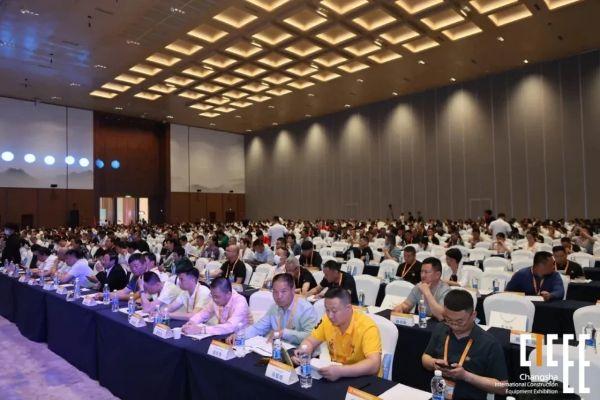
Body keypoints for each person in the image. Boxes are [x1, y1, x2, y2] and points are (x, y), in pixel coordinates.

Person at [422, 290, 508, 399]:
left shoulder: (489, 343)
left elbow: (503, 387)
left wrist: (466, 376)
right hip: (438, 395)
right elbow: (425, 357)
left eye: (459, 322)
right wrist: (434, 364)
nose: (454, 326)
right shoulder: (441, 329)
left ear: (473, 315)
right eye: (449, 320)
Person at [293, 288, 381, 381]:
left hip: (362, 378)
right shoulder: (327, 320)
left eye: (334, 311)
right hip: (336, 373)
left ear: (348, 308)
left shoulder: (367, 327)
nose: (330, 316)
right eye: (327, 310)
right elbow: (310, 341)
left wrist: (341, 371)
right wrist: (303, 352)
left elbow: (374, 364)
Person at [227, 273, 317, 345]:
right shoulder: (274, 307)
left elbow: (312, 336)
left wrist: (284, 333)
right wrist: (240, 335)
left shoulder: (306, 309)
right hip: (277, 348)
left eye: (283, 291)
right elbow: (258, 328)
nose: (279, 296)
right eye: (275, 292)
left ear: (293, 290)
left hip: (299, 352)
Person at [182, 278, 252, 336]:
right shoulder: (215, 297)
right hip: (223, 334)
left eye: (217, 297)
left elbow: (231, 326)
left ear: (228, 294)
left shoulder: (240, 302)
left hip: (240, 337)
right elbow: (203, 314)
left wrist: (201, 329)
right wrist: (192, 322)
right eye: (212, 296)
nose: (214, 299)